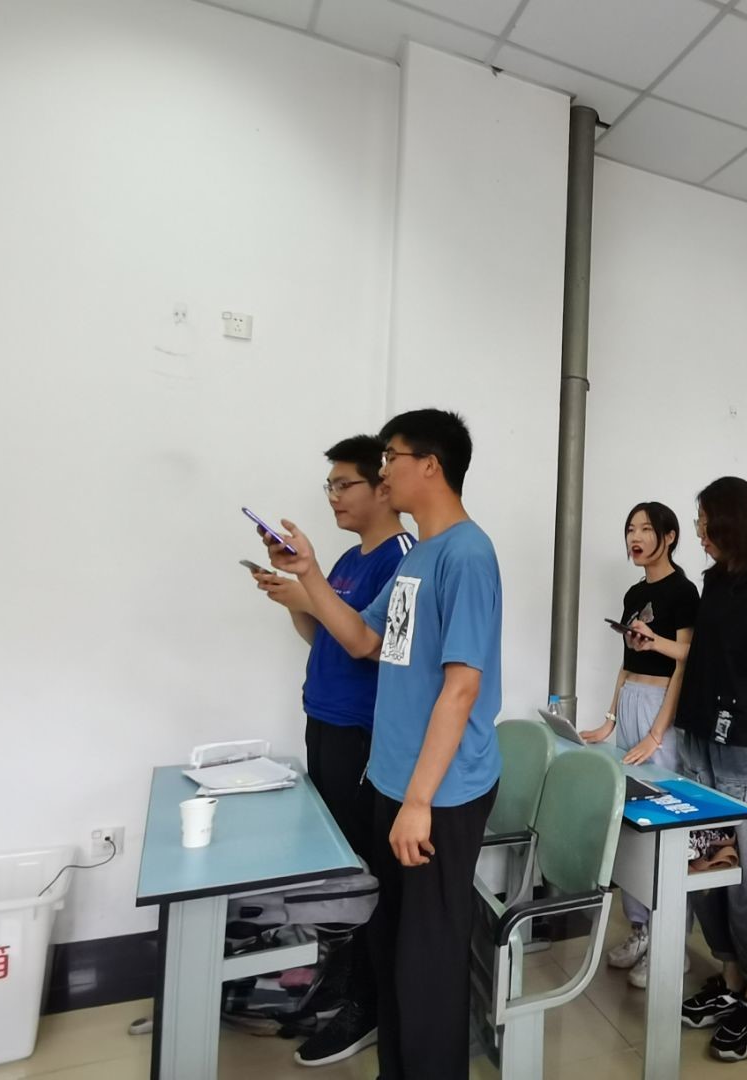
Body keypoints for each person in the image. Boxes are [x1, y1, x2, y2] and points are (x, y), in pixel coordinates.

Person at [263, 408, 501, 1080]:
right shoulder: (417, 557)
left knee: (427, 963)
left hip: (439, 793)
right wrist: (309, 574)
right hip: (393, 780)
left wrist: (419, 801)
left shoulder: (468, 556)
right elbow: (366, 640)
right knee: (395, 950)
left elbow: (461, 688)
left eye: (391, 456)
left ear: (430, 465)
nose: (383, 469)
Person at [248, 435, 412, 1067]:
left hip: (363, 732)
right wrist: (296, 598)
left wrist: (308, 586)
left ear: (383, 487)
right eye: (330, 486)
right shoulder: (347, 557)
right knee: (337, 870)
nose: (334, 497)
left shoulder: (403, 557)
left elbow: (372, 646)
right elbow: (322, 633)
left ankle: (368, 1003)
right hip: (325, 719)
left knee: (364, 874)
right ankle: (343, 983)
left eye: (345, 484)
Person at [663, 476, 747, 1063]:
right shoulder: (715, 580)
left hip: (746, 744)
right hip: (701, 736)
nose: (698, 532)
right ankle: (729, 977)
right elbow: (705, 655)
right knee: (707, 862)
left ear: (730, 521)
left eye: (704, 522)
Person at [581, 501, 699, 988]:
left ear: (669, 537)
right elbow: (627, 663)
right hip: (632, 699)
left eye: (646, 529)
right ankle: (641, 929)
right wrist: (609, 719)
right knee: (631, 819)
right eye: (630, 528)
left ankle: (674, 944)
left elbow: (688, 659)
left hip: (662, 708)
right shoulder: (635, 591)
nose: (636, 537)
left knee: (666, 821)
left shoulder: (684, 591)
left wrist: (656, 733)